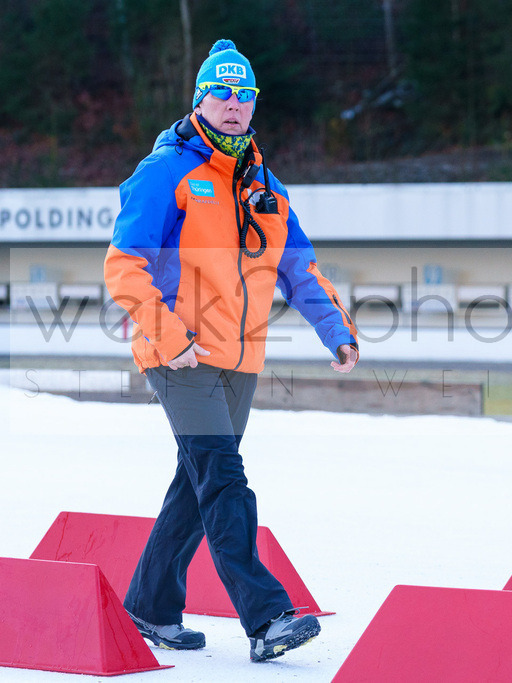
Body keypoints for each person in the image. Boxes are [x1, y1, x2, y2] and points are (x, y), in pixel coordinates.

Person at [103, 39, 358, 662]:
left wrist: (336, 330)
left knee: (194, 486)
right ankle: (266, 618)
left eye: (246, 96)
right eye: (223, 93)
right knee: (222, 480)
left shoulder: (266, 185)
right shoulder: (166, 172)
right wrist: (171, 338)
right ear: (200, 99)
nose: (235, 106)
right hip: (180, 355)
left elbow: (300, 269)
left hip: (240, 360)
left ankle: (150, 606)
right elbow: (123, 267)